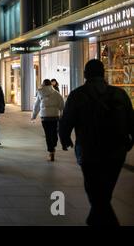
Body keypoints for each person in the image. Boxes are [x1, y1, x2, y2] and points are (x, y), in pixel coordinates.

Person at [59, 59, 134, 226]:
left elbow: (66, 120)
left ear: (86, 74)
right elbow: (131, 120)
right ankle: (97, 219)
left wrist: (65, 139)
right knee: (105, 189)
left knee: (94, 188)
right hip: (116, 151)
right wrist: (130, 140)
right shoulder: (119, 94)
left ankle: (104, 221)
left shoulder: (77, 94)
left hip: (89, 150)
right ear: (103, 73)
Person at [31, 79, 65, 162]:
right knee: (54, 132)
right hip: (55, 116)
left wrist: (34, 116)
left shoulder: (40, 92)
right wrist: (62, 114)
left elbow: (36, 105)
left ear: (43, 85)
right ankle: (54, 145)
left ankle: (51, 151)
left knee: (48, 134)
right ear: (51, 85)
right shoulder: (57, 94)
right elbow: (62, 105)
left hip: (45, 117)